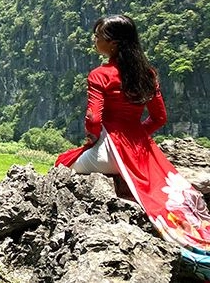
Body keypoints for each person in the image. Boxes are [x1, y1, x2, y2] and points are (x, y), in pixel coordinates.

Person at [56, 14, 210, 278]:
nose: (94, 40)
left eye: (98, 36)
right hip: (137, 148)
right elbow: (160, 117)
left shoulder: (100, 75)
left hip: (108, 152)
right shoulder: (147, 73)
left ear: (113, 43)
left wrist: (92, 141)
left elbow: (94, 118)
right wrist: (138, 135)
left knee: (61, 164)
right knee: (164, 192)